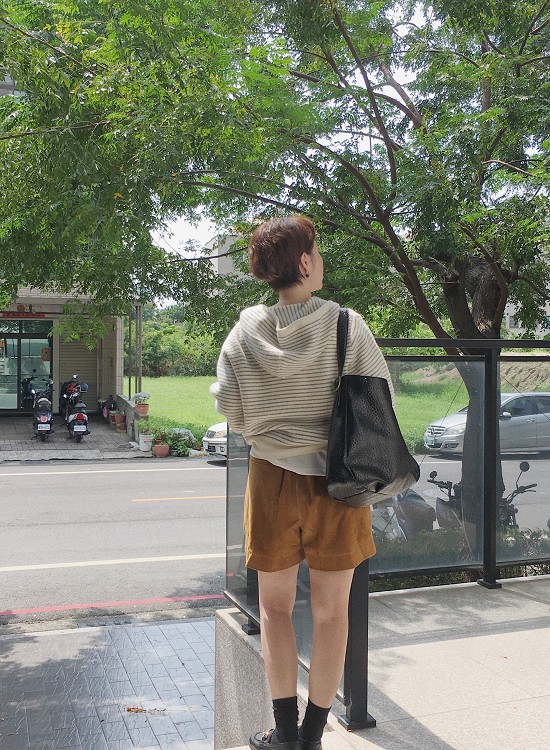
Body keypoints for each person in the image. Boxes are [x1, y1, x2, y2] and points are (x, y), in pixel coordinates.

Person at [211, 216, 393, 750]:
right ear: (306, 262)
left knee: (274, 610)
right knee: (332, 613)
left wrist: (266, 432)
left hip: (269, 478)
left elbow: (228, 405)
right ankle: (313, 735)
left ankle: (284, 734)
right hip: (337, 483)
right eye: (318, 250)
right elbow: (379, 396)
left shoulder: (245, 331)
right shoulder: (345, 325)